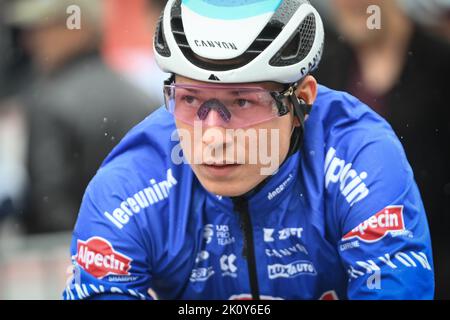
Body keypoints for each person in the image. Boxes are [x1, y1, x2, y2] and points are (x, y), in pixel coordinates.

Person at [64, 0, 434, 300]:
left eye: (242, 102)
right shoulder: (132, 179)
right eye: (190, 100)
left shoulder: (360, 155)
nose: (212, 135)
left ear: (301, 100)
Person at [313, 0, 450, 299]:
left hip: (433, 257)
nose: (349, 4)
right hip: (345, 262)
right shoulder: (323, 68)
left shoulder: (440, 66)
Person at [4, 0, 159, 234]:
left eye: (45, 27)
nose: (30, 41)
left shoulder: (48, 103)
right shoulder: (141, 97)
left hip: (72, 259)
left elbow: (50, 210)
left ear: (80, 27)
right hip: (138, 252)